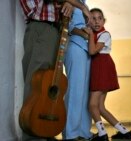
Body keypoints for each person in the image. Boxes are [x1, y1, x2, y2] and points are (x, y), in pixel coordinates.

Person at [19, 0, 90, 140]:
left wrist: (68, 4)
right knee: (37, 82)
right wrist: (79, 5)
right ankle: (33, 136)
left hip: (56, 30)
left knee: (51, 84)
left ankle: (45, 131)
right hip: (42, 27)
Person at [85, 8, 131, 141]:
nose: (96, 21)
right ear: (89, 21)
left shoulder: (104, 34)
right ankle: (125, 132)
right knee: (100, 107)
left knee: (92, 105)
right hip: (100, 69)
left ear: (104, 20)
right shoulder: (95, 34)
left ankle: (102, 134)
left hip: (103, 69)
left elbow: (92, 51)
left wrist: (89, 34)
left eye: (99, 18)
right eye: (93, 18)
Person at [62, 0, 93, 140]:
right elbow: (67, 25)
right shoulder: (69, 3)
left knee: (86, 93)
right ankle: (70, 133)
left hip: (87, 48)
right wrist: (85, 34)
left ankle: (84, 132)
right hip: (74, 45)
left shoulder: (82, 3)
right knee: (74, 91)